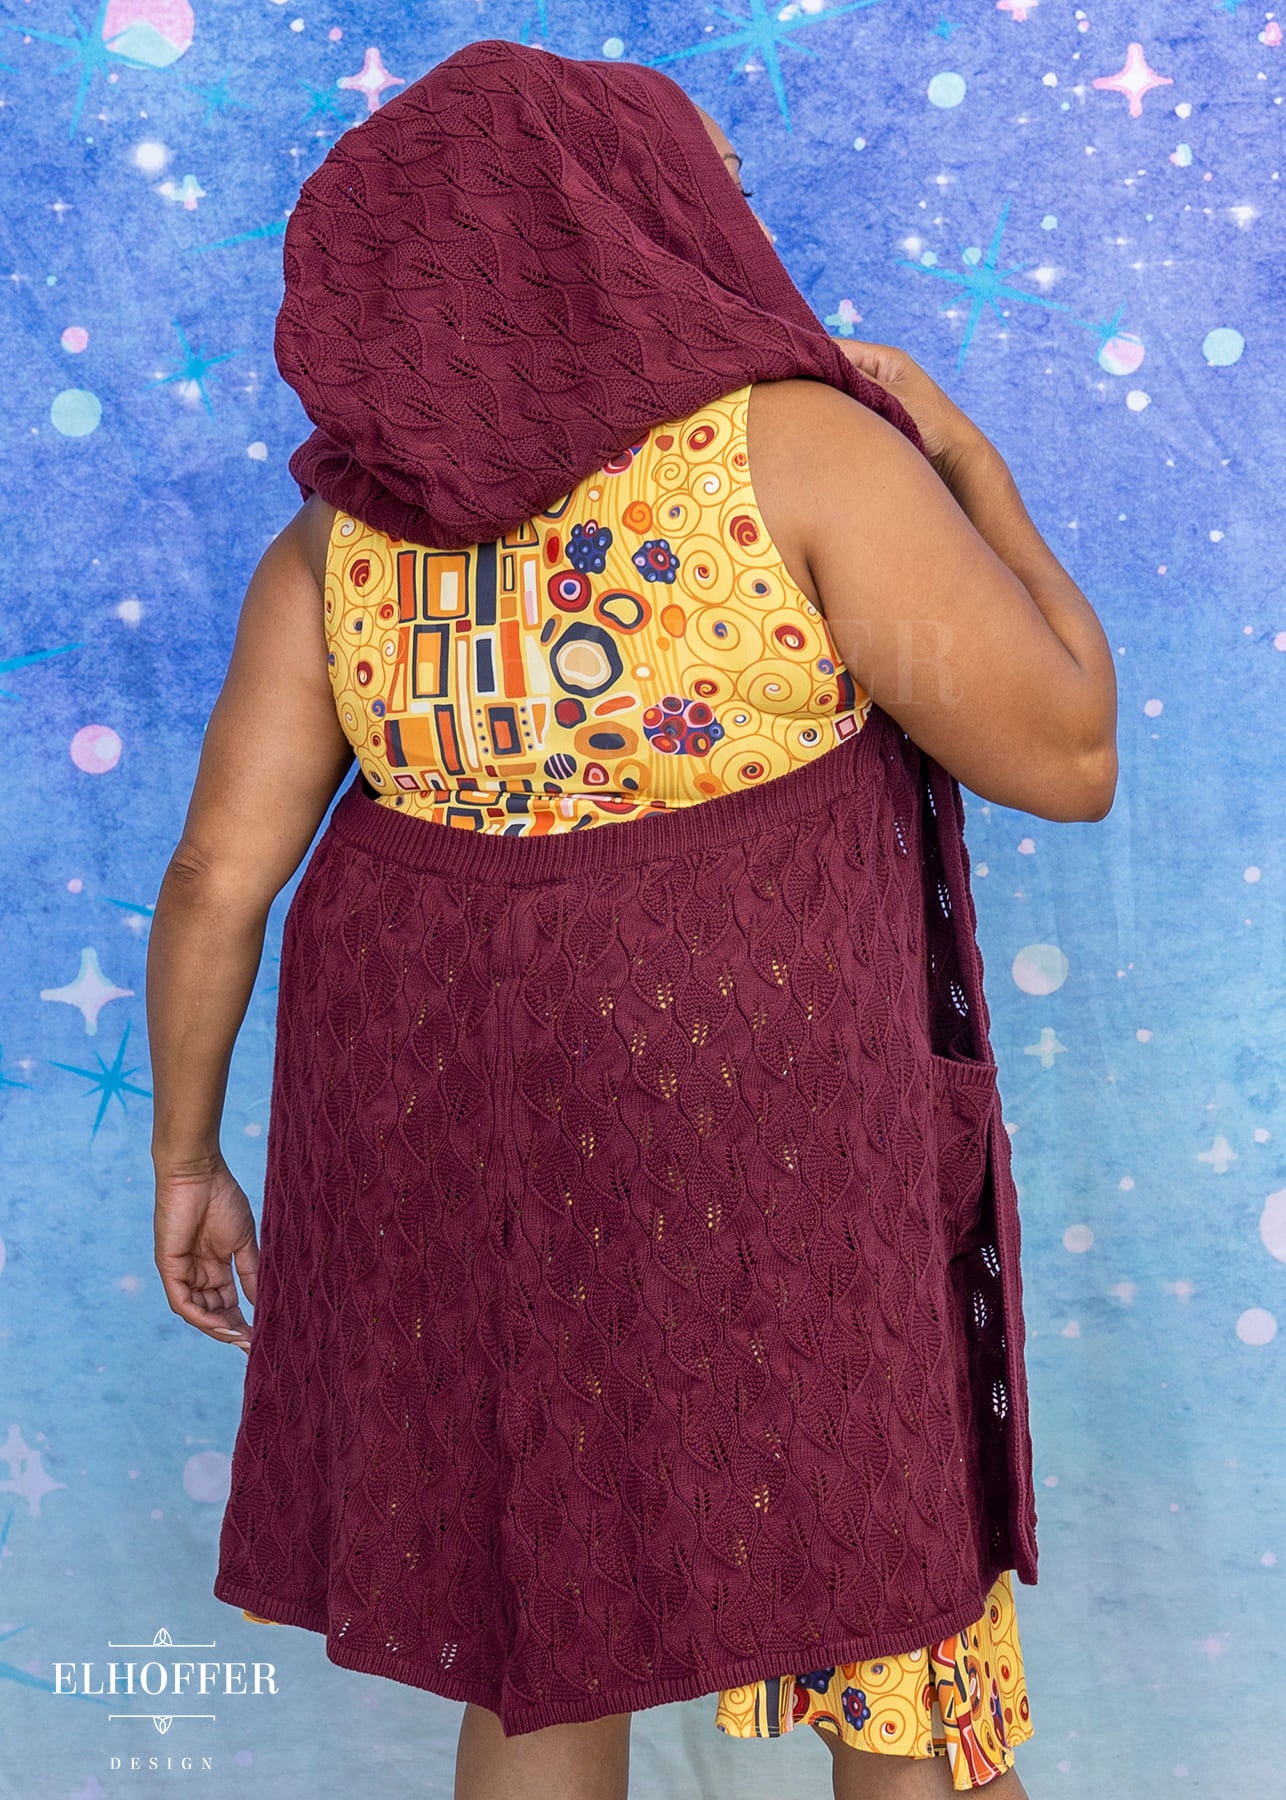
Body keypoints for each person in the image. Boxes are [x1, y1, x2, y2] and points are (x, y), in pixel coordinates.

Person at [146, 39, 1116, 1800]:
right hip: (779, 1157)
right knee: (889, 1617)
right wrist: (971, 465)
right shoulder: (797, 456)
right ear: (624, 218)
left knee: (539, 1639)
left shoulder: (343, 542)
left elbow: (222, 872)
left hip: (469, 1154)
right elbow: (1065, 755)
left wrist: (189, 1154)